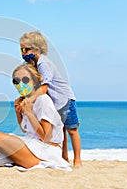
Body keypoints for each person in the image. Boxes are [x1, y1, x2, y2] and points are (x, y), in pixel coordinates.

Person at [19, 31, 82, 167]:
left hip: (65, 99)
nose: (23, 53)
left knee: (71, 129)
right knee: (61, 131)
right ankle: (64, 158)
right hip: (53, 101)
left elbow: (44, 88)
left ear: (37, 48)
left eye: (26, 49)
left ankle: (78, 160)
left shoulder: (43, 64)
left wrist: (30, 100)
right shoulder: (30, 63)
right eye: (21, 49)